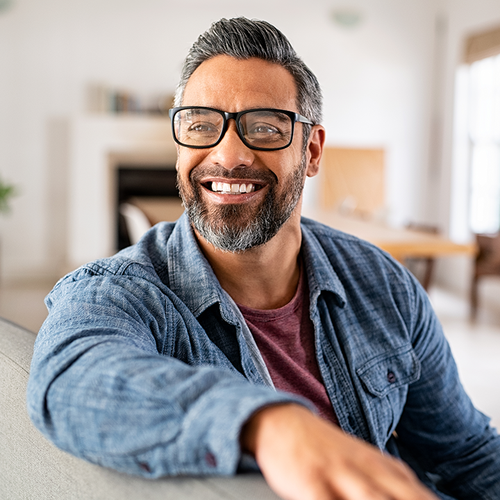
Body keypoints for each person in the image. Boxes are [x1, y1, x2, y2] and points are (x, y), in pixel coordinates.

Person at [27, 17, 499, 500]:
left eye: (265, 128)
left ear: (312, 151)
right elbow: (70, 379)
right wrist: (270, 425)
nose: (228, 155)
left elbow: (465, 455)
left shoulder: (385, 284)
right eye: (201, 125)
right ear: (178, 147)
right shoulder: (123, 291)